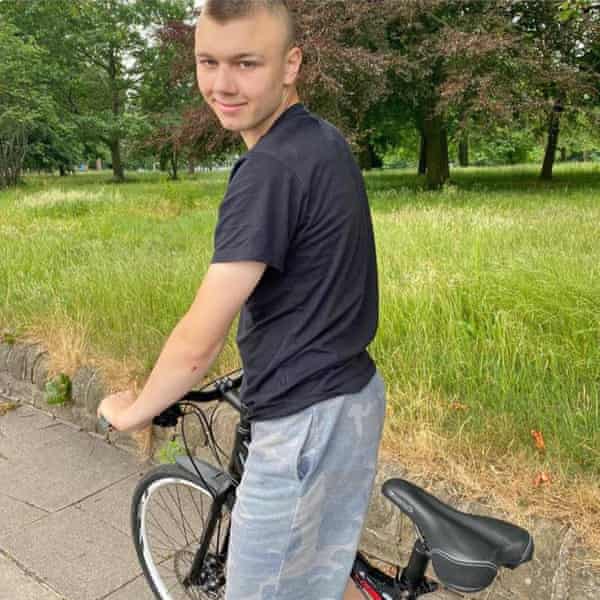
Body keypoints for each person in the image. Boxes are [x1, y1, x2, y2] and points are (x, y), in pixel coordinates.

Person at [97, 1, 385, 598]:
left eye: (246, 63)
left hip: (303, 421)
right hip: (352, 394)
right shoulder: (322, 141)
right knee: (316, 579)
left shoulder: (267, 171)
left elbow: (199, 341)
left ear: (290, 64)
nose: (222, 85)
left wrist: (136, 408)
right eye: (209, 61)